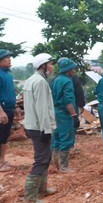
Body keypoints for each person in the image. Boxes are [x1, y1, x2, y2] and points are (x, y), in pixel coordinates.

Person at [22, 53, 57, 202]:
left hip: (32, 125)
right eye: (50, 64)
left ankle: (42, 189)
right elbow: (42, 108)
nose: (52, 67)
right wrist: (46, 130)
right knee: (41, 160)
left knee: (45, 157)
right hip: (40, 127)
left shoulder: (30, 80)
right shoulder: (40, 82)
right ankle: (30, 197)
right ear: (43, 66)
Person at [51, 58, 78, 173]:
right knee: (65, 137)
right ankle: (63, 166)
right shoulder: (67, 81)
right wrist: (73, 114)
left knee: (57, 136)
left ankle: (55, 163)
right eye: (73, 68)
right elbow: (68, 100)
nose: (74, 71)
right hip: (64, 113)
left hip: (55, 111)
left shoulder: (56, 80)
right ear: (68, 69)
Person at [0, 49, 16, 172]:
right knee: (1, 136)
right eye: (6, 57)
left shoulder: (8, 74)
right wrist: (1, 112)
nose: (9, 59)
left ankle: (2, 161)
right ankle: (1, 163)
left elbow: (10, 92)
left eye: (10, 57)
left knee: (4, 136)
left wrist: (15, 107)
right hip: (2, 109)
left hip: (9, 109)